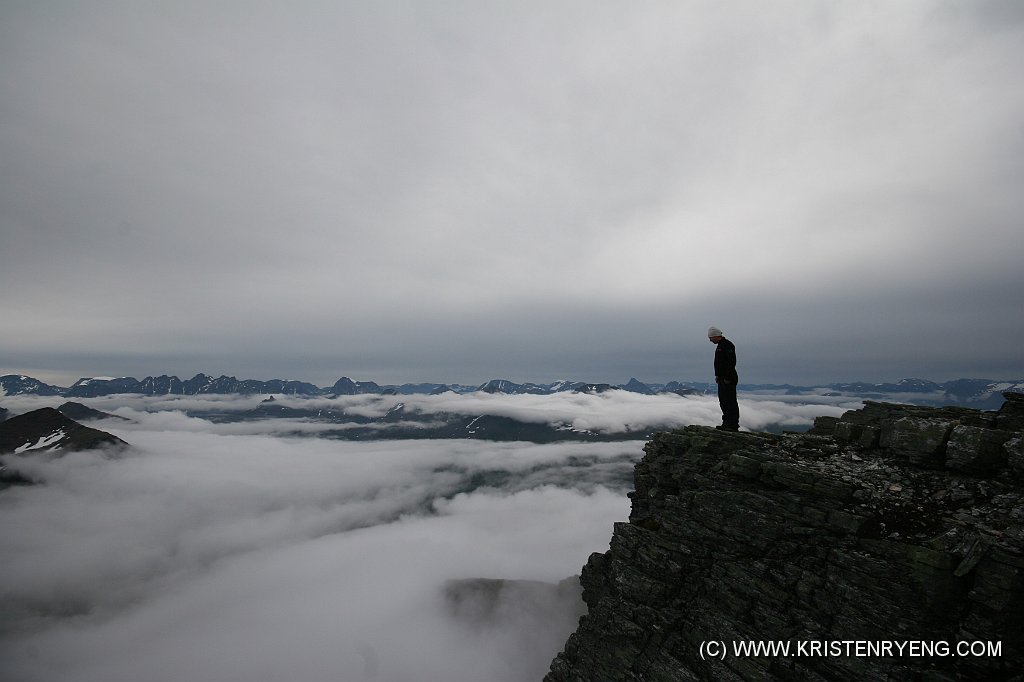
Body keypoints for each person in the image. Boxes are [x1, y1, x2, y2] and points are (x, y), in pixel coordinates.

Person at [708, 326, 739, 430]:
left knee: (730, 401)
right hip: (722, 378)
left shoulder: (727, 345)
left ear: (716, 336)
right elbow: (719, 363)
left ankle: (733, 424)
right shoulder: (721, 345)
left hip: (728, 378)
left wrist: (728, 377)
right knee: (724, 401)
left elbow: (731, 362)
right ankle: (726, 423)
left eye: (711, 338)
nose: (710, 340)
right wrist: (718, 375)